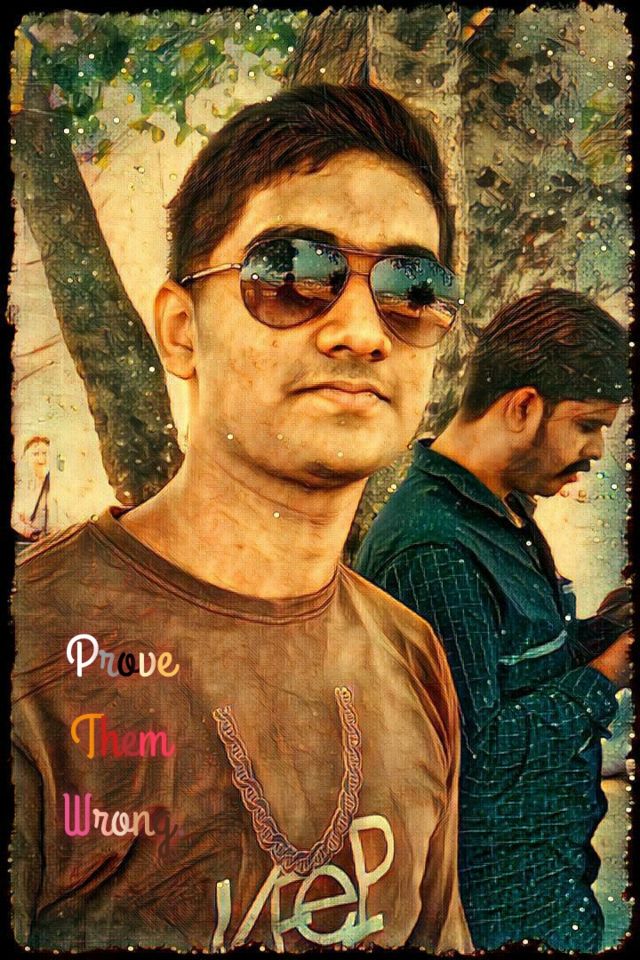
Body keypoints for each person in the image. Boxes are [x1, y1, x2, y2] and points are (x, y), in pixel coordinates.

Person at [12, 84, 472, 953]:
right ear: (182, 331)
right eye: (292, 274)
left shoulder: (411, 654)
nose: (361, 330)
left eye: (412, 287)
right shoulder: (35, 649)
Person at [355, 288, 631, 952]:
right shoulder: (435, 550)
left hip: (547, 891)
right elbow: (476, 764)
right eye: (587, 425)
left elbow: (514, 669)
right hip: (495, 917)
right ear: (523, 407)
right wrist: (604, 676)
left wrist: (605, 632)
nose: (597, 450)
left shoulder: (495, 514)